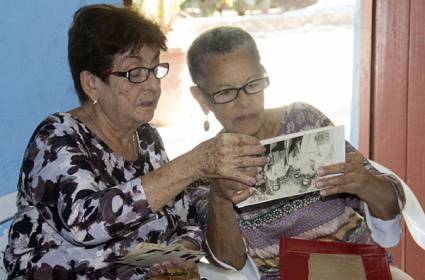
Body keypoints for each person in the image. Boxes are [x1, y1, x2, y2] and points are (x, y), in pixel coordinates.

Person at [3, 7, 267, 279]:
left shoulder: (147, 138)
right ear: (92, 84)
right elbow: (85, 222)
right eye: (135, 73)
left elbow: (185, 222)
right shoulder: (57, 137)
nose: (152, 84)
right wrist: (192, 164)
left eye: (154, 68)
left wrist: (178, 254)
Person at [187, 26, 408, 279]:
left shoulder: (303, 121)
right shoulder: (207, 165)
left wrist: (364, 182)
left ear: (263, 75)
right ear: (201, 99)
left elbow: (389, 209)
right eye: (225, 92)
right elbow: (228, 262)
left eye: (252, 84)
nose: (244, 101)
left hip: (355, 266)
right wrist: (219, 198)